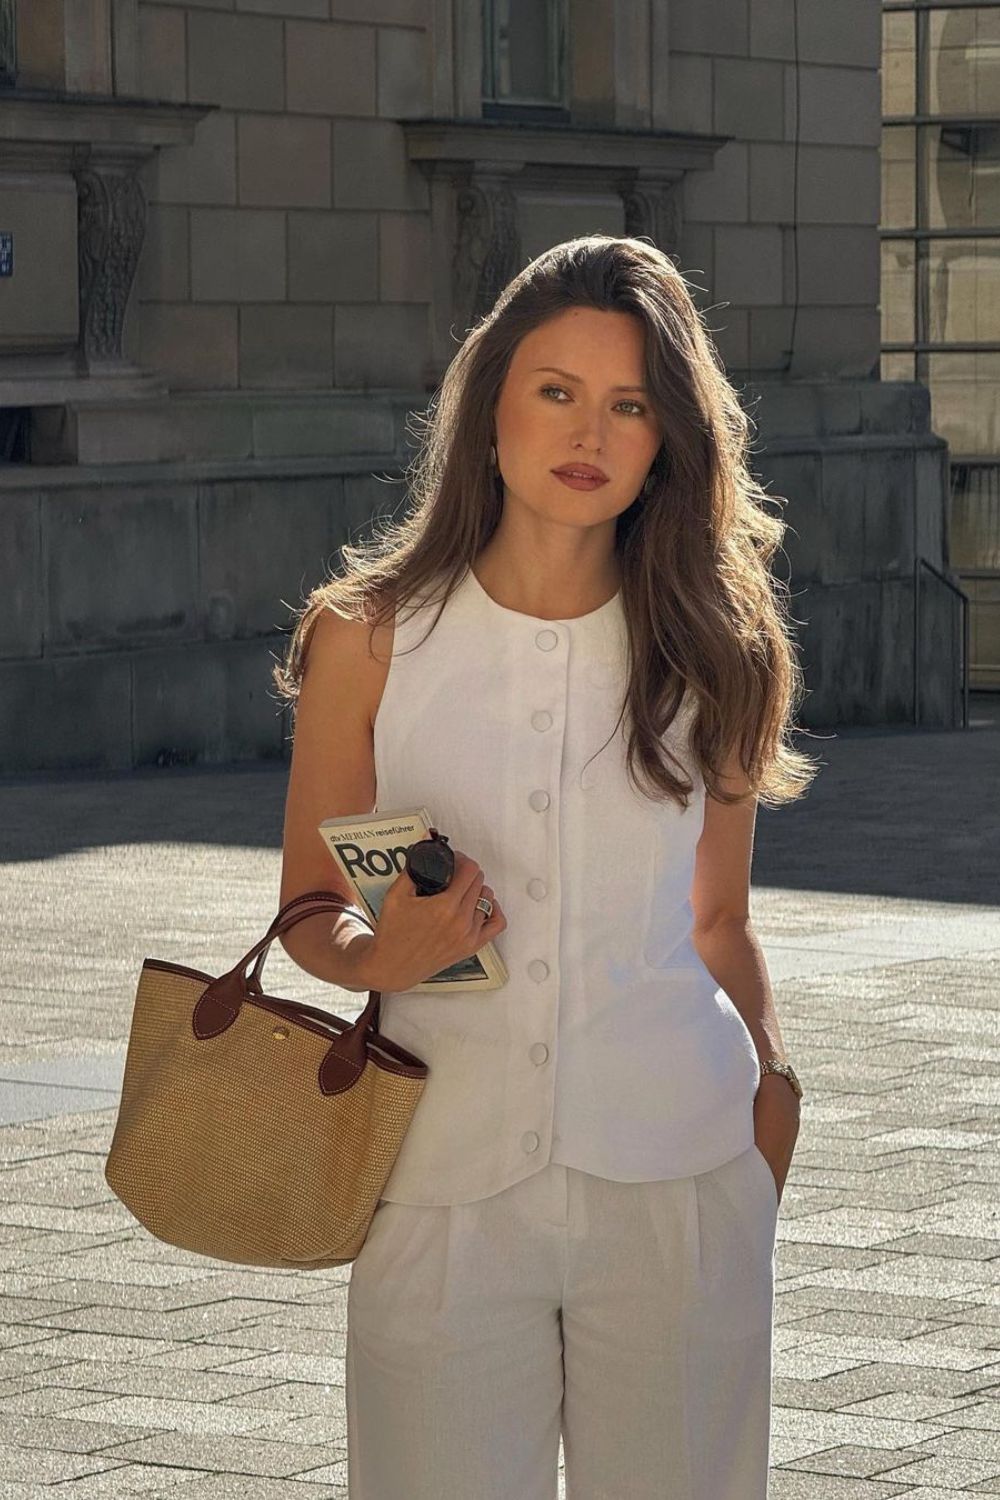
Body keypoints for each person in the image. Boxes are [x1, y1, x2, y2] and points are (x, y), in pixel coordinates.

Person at [272, 234, 816, 1500]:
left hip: (679, 1180)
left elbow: (720, 917)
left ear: (669, 436)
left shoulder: (719, 650)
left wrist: (774, 1086)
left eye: (630, 404)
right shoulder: (367, 636)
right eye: (557, 391)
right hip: (441, 1186)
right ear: (492, 405)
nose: (591, 431)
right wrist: (379, 952)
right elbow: (307, 909)